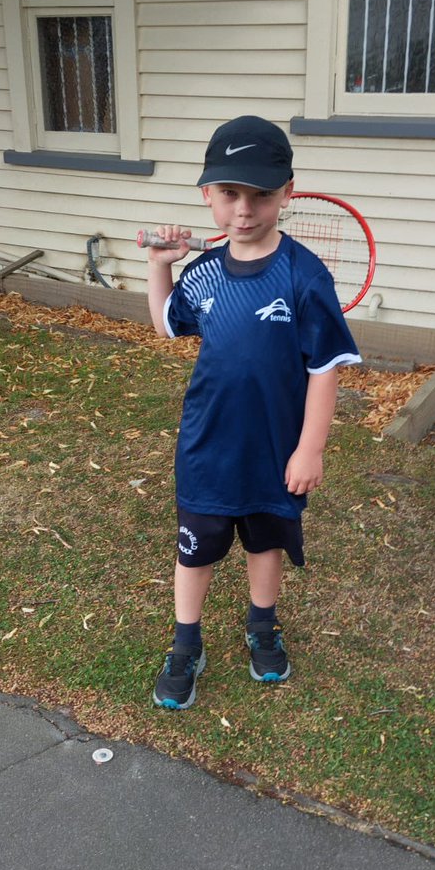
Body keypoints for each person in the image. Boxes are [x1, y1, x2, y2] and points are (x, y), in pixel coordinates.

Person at [147, 116, 361, 709]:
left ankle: (261, 625)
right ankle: (186, 643)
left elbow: (325, 367)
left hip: (274, 448)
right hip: (207, 447)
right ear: (207, 196)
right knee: (196, 546)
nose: (245, 209)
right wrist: (160, 264)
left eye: (261, 194)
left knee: (265, 542)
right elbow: (168, 324)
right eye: (231, 194)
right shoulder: (204, 272)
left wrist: (310, 448)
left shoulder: (303, 275)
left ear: (287, 193)